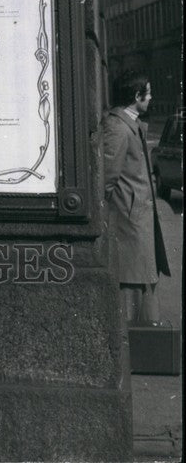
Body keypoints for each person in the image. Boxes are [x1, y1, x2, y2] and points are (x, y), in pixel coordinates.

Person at [102, 69, 170, 325]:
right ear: (136, 95)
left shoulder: (128, 123)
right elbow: (107, 179)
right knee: (134, 285)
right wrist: (125, 208)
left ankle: (145, 339)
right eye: (148, 92)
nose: (151, 97)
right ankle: (137, 348)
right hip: (130, 224)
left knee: (144, 280)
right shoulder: (117, 127)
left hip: (138, 220)